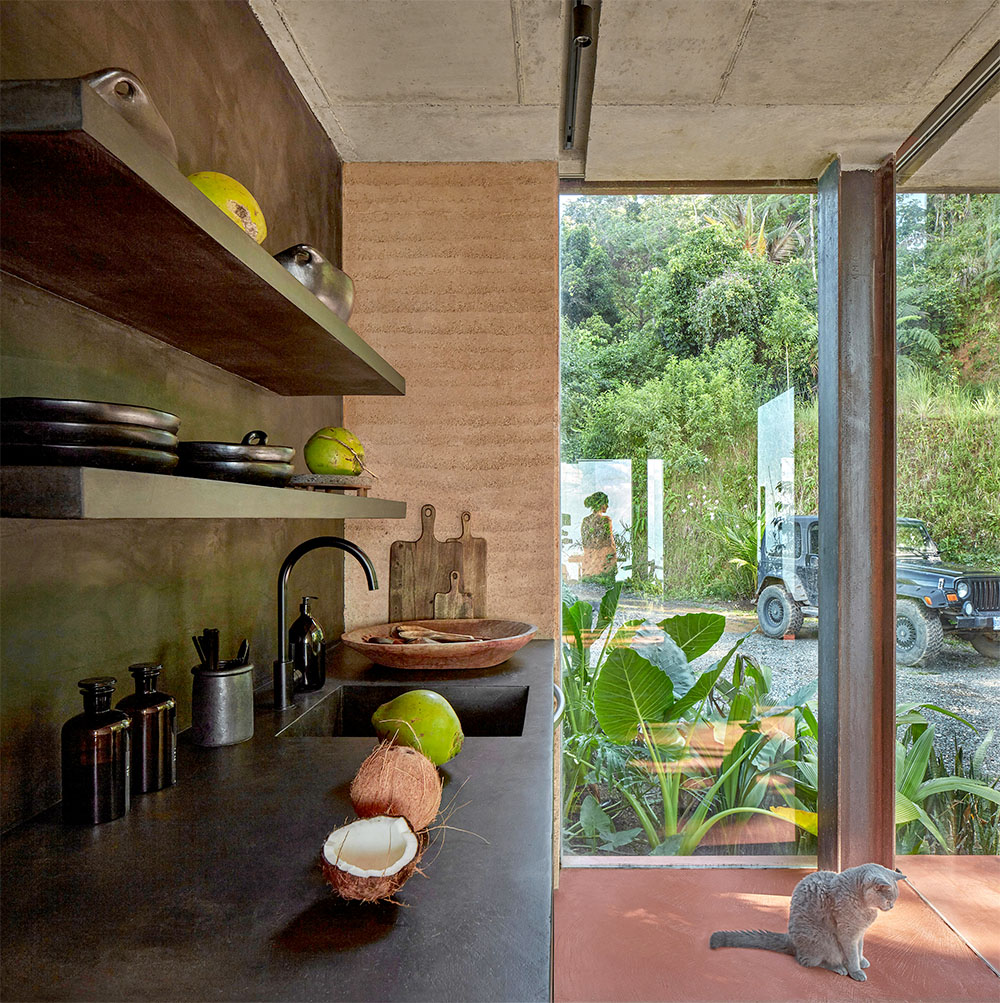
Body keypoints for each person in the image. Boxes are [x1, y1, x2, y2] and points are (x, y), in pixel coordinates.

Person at [580, 491, 617, 578]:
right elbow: (609, 541)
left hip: (589, 563)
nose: (607, 506)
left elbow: (584, 542)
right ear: (600, 504)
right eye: (606, 503)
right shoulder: (606, 520)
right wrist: (613, 558)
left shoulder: (586, 520)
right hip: (604, 561)